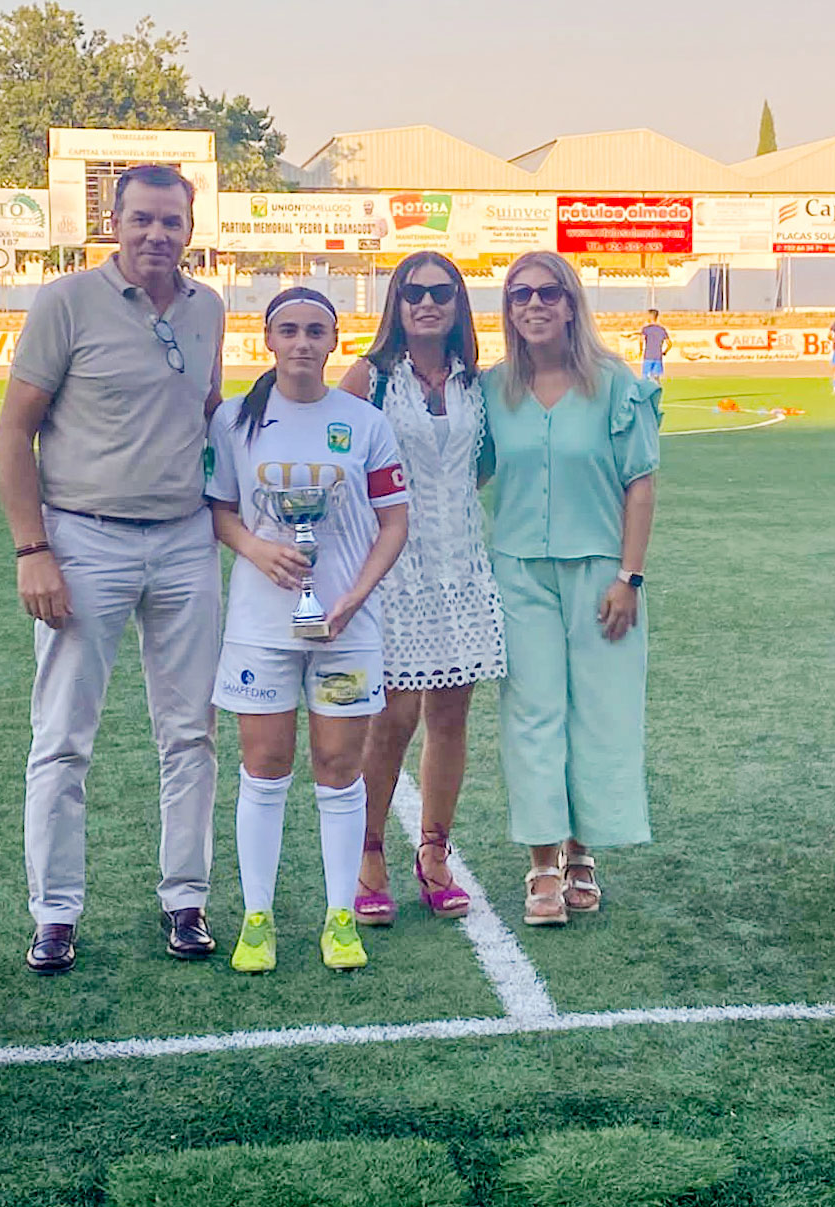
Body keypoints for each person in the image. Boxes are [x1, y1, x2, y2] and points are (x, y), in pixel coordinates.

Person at [0, 163, 226, 975]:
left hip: (183, 539)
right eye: (142, 220)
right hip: (84, 538)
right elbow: (12, 433)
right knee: (63, 738)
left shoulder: (210, 310)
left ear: (190, 228)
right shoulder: (66, 302)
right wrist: (35, 549)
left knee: (191, 732)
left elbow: (207, 415)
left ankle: (185, 899)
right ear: (114, 223)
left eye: (171, 221)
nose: (157, 234)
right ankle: (55, 912)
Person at [206, 288, 410, 973]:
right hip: (261, 627)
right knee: (263, 767)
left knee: (338, 768)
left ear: (333, 341)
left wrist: (352, 598)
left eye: (314, 331)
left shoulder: (364, 421)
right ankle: (257, 917)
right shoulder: (236, 419)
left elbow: (394, 522)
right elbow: (221, 511)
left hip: (346, 629)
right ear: (266, 338)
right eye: (287, 329)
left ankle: (338, 916)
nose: (300, 342)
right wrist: (258, 551)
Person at [481, 251, 660, 926]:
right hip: (518, 572)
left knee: (600, 712)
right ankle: (543, 863)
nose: (534, 304)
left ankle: (584, 850)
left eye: (548, 293)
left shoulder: (616, 385)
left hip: (601, 573)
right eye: (521, 294)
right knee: (532, 716)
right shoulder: (492, 389)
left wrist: (628, 575)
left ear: (570, 303)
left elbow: (639, 481)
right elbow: (469, 470)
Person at [338, 253, 505, 927]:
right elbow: (337, 458)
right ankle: (369, 850)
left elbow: (482, 466)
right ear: (397, 304)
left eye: (441, 292)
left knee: (451, 719)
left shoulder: (478, 384)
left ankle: (434, 852)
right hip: (396, 573)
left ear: (459, 303)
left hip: (462, 569)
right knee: (393, 719)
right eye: (414, 293)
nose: (428, 303)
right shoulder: (371, 378)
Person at [639, 310, 671, 381]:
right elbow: (669, 344)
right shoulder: (662, 330)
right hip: (658, 356)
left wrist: (641, 350)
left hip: (648, 356)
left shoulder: (646, 329)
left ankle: (646, 391)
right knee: (656, 378)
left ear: (650, 317)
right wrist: (665, 351)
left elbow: (641, 340)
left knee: (645, 377)